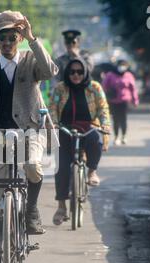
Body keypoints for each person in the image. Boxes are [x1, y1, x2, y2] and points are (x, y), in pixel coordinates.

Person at [0, 10, 58, 263]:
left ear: (19, 37)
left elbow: (50, 71)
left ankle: (31, 209)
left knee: (33, 166)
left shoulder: (31, 60)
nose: (8, 41)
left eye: (12, 36)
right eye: (2, 37)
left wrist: (33, 38)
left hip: (29, 130)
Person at [49, 57, 111, 225]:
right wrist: (54, 124)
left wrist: (105, 125)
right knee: (61, 167)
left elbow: (103, 108)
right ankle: (61, 206)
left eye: (79, 72)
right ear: (67, 73)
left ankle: (92, 172)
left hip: (89, 127)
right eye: (72, 72)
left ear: (85, 73)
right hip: (65, 130)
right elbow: (52, 108)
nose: (76, 75)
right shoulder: (60, 88)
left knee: (96, 141)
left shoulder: (95, 87)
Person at [102, 59, 139, 146]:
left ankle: (124, 136)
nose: (122, 67)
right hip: (113, 100)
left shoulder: (129, 75)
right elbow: (104, 86)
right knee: (115, 119)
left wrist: (135, 100)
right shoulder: (110, 75)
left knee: (123, 119)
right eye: (121, 65)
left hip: (124, 100)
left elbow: (133, 89)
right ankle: (116, 137)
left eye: (124, 66)